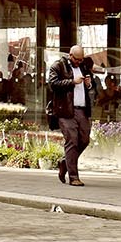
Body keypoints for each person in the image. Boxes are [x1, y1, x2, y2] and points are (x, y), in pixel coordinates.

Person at [47, 45, 98, 187]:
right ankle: (73, 176)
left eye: (81, 59)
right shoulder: (58, 66)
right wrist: (72, 82)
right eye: (77, 59)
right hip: (65, 110)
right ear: (70, 55)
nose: (79, 62)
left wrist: (88, 84)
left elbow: (91, 86)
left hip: (82, 109)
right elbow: (53, 84)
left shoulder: (83, 66)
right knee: (72, 141)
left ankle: (65, 162)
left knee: (85, 139)